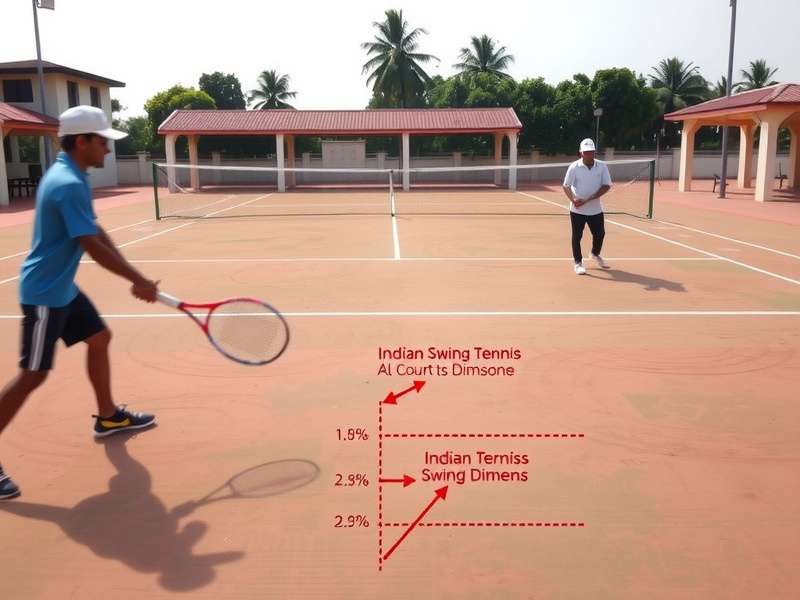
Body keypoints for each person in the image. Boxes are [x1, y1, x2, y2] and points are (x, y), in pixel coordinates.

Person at [0, 106, 161, 500]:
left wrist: (133, 272)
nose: (107, 149)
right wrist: (135, 279)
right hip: (44, 295)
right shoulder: (68, 183)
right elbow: (87, 244)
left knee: (100, 338)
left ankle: (108, 417)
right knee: (33, 375)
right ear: (82, 141)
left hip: (62, 290)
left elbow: (95, 230)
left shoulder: (70, 176)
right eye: (103, 141)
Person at [562, 138, 612, 275]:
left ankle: (595, 254)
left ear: (594, 152)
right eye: (586, 152)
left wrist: (589, 199)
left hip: (595, 209)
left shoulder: (602, 166)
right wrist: (573, 199)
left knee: (600, 234)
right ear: (581, 153)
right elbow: (566, 186)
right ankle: (578, 263)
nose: (589, 155)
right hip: (577, 210)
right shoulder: (574, 167)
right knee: (577, 236)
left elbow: (607, 185)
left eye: (591, 152)